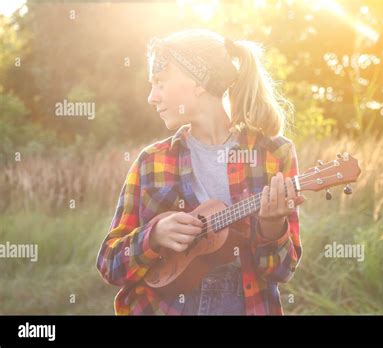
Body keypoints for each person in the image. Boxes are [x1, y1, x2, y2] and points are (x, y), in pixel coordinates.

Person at [96, 28, 305, 315]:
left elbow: (281, 271)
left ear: (197, 81)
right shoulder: (151, 162)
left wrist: (272, 226)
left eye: (159, 82)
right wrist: (153, 236)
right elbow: (110, 264)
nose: (151, 97)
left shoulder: (274, 154)